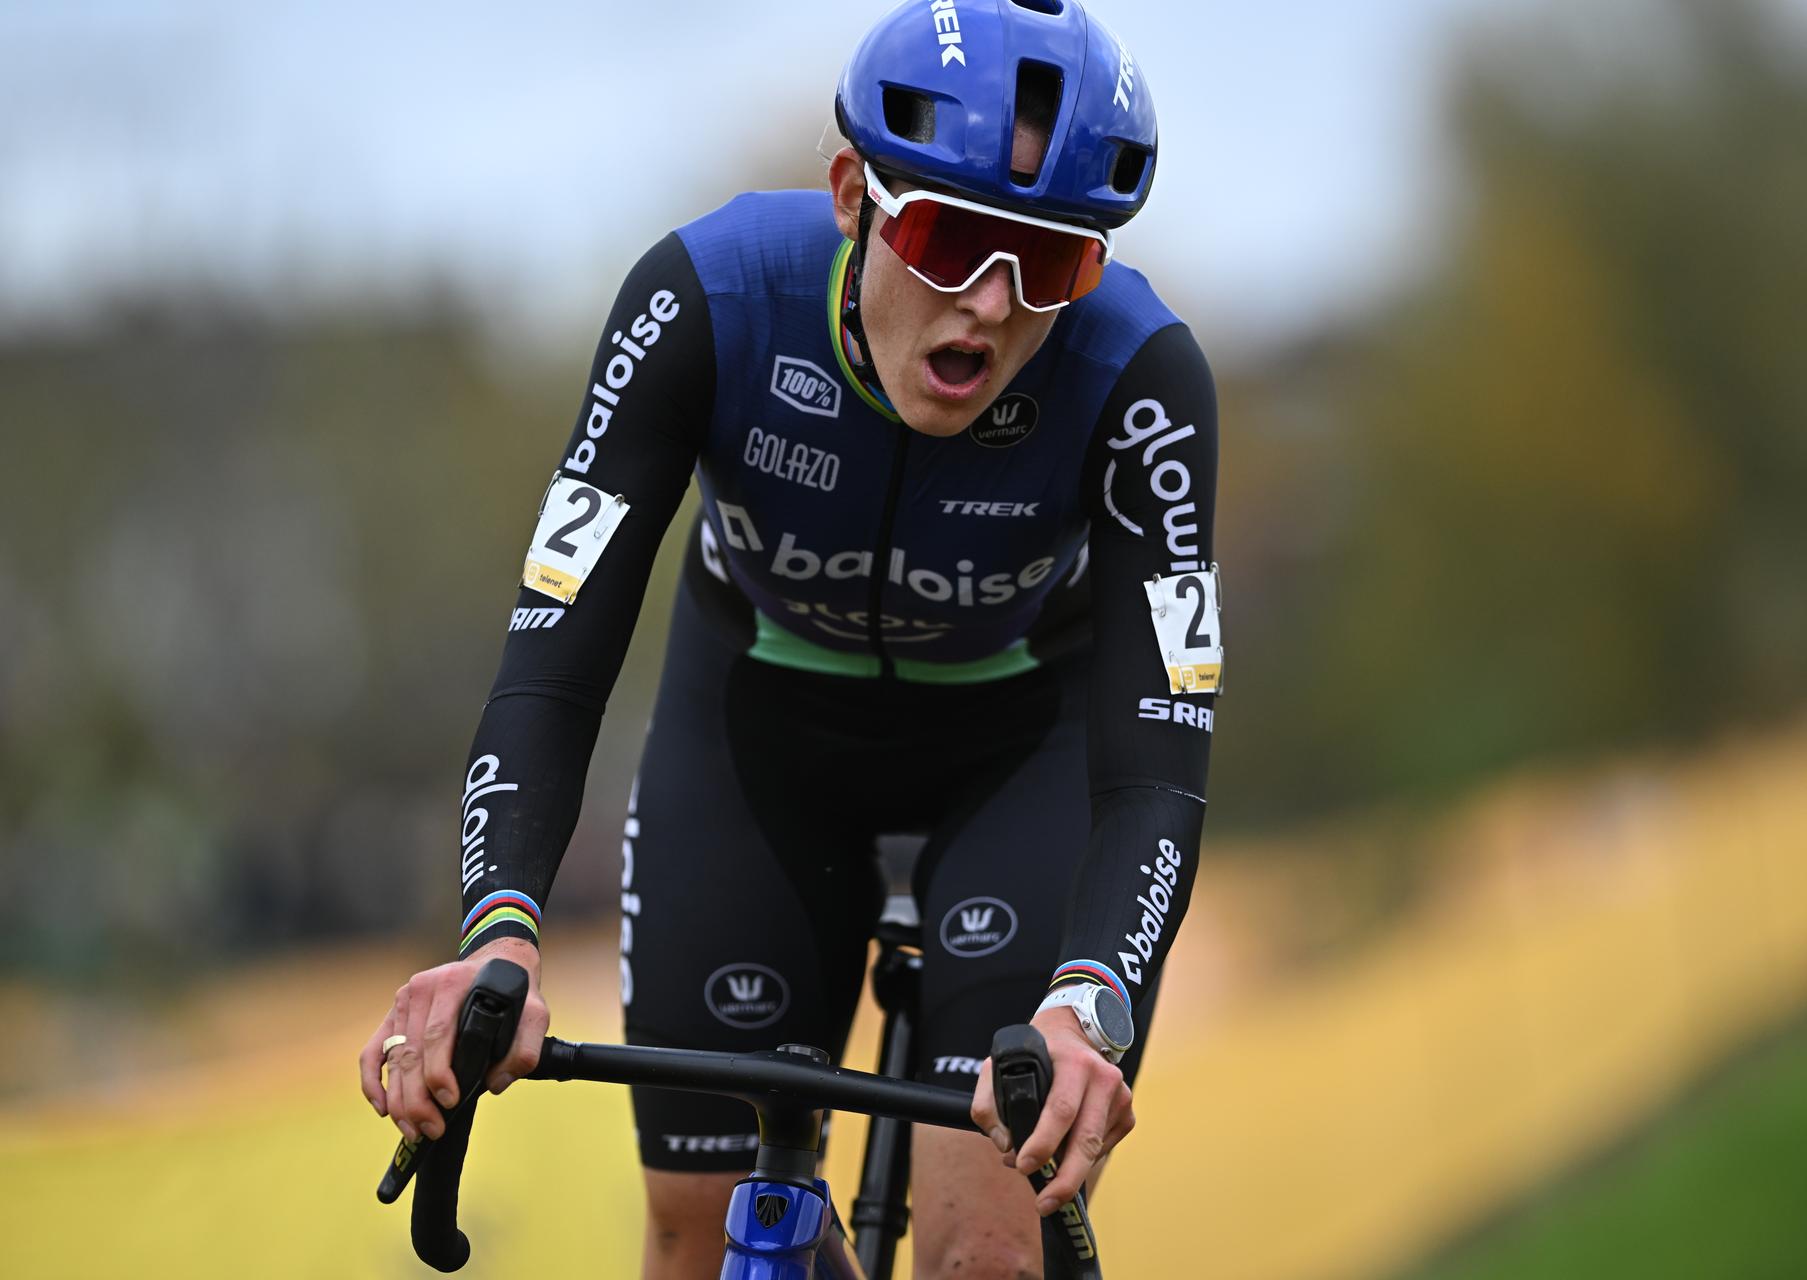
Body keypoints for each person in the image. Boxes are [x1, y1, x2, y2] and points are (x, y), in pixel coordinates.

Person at [358, 1, 1220, 1274]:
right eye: (948, 236)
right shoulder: (705, 301)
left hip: (1016, 755)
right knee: (702, 1241)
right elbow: (552, 661)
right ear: (850, 196)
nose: (988, 306)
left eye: (1049, 264)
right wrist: (499, 929)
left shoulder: (1141, 379)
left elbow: (1159, 756)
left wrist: (1095, 1004)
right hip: (759, 731)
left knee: (989, 1253)